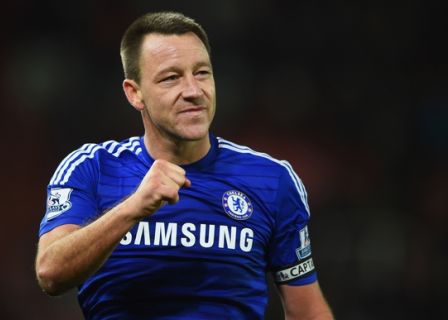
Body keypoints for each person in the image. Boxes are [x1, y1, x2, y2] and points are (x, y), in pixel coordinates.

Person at [35, 11, 334, 320]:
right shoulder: (92, 168)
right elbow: (51, 273)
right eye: (171, 77)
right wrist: (133, 207)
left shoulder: (271, 180)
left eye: (202, 73)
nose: (193, 91)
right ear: (134, 92)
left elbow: (308, 312)